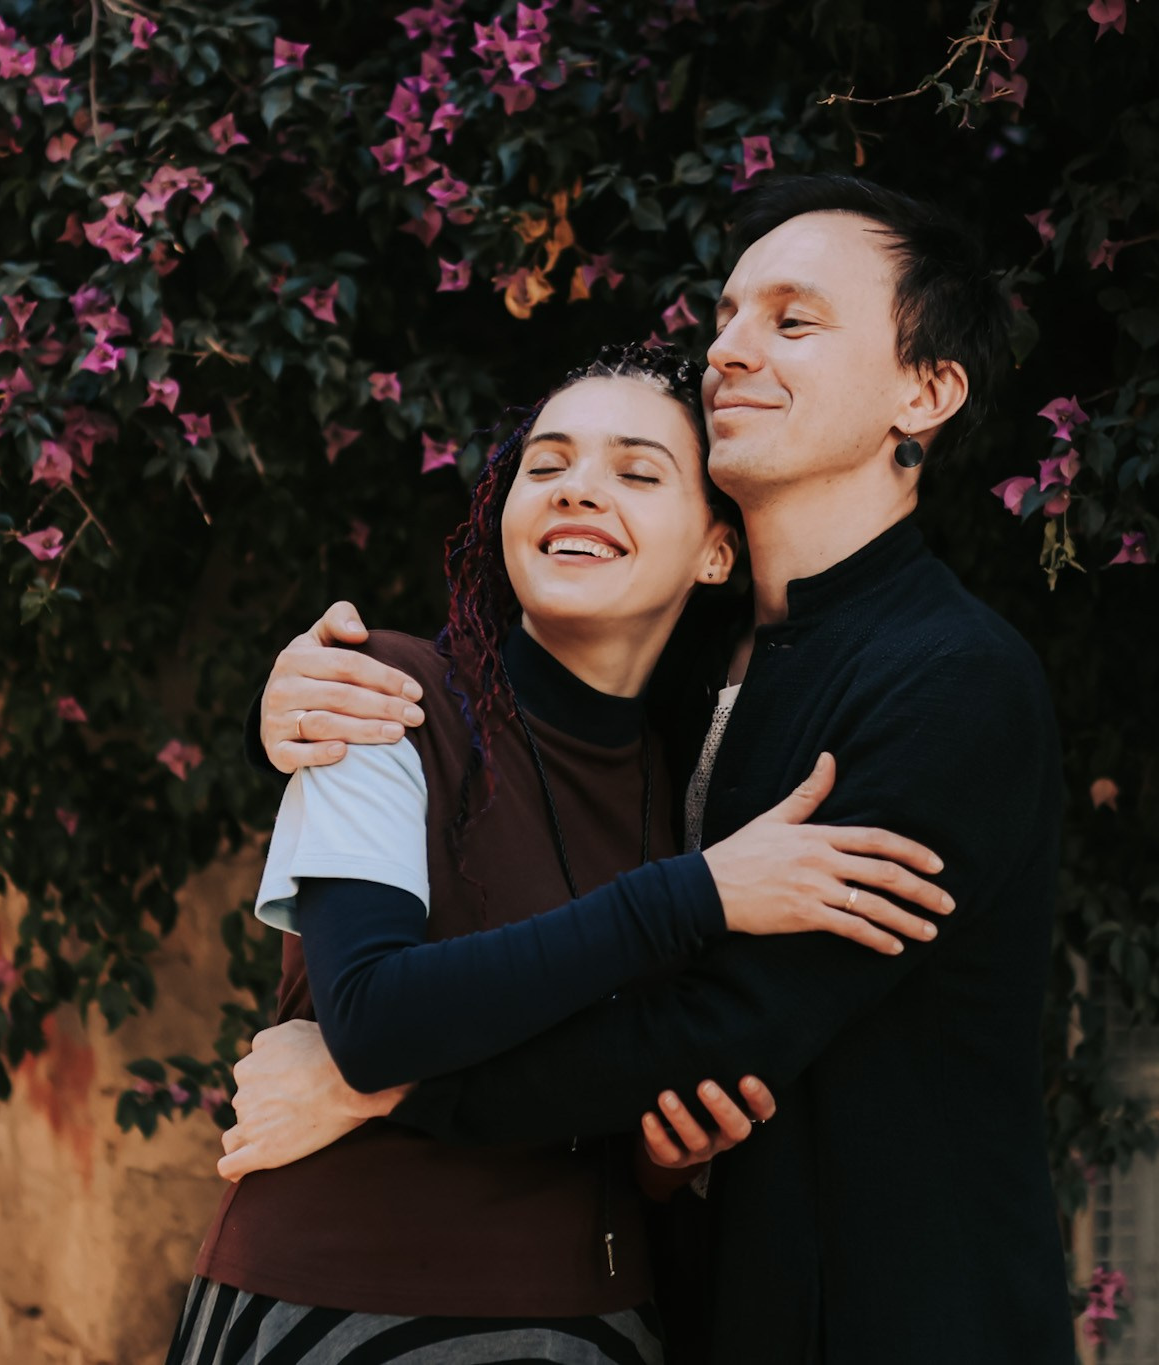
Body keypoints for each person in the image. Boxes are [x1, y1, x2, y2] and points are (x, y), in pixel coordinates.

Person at [227, 175, 1078, 1363]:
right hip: (689, 1317)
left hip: (897, 1319)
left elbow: (719, 1025)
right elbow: (505, 753)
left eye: (790, 320)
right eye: (726, 315)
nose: (728, 349)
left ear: (924, 392)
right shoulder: (677, 681)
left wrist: (383, 1086)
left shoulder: (948, 684)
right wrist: (304, 694)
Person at [167, 344, 956, 1365]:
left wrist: (663, 1157)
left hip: (598, 1324)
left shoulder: (704, 786)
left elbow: (637, 1056)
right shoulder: (384, 697)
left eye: (635, 471)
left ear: (715, 552)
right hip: (336, 1306)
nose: (577, 490)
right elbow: (370, 1019)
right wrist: (698, 896)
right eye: (545, 467)